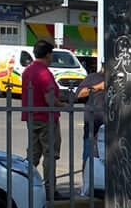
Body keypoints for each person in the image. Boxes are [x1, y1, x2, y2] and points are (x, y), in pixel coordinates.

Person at [21, 39, 65, 198]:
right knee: (50, 154)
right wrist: (63, 105)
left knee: (33, 154)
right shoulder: (44, 73)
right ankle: (50, 190)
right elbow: (50, 99)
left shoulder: (28, 71)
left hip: (31, 116)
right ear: (48, 54)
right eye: (51, 54)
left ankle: (23, 184)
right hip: (46, 118)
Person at [74, 60, 108, 197]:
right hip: (93, 126)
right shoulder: (93, 78)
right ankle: (86, 187)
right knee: (89, 156)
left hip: (110, 127)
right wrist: (98, 87)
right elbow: (79, 94)